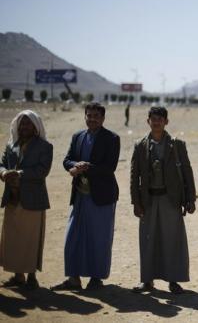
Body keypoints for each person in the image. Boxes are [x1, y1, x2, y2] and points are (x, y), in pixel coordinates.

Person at [52, 102, 120, 291]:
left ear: (103, 118)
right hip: (80, 195)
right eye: (89, 115)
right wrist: (75, 164)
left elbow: (110, 167)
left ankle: (96, 279)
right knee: (73, 237)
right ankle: (73, 279)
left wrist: (86, 168)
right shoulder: (78, 136)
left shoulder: (112, 138)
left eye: (96, 116)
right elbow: (66, 160)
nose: (92, 119)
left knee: (99, 238)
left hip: (102, 196)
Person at [130, 107, 196, 294]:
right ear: (148, 121)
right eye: (153, 118)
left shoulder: (177, 145)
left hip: (171, 199)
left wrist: (190, 199)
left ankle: (174, 280)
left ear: (166, 121)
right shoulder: (140, 145)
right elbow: (134, 176)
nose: (156, 122)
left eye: (160, 119)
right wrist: (136, 202)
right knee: (147, 240)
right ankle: (147, 280)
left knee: (173, 241)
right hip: (149, 200)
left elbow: (187, 172)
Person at [0, 110, 53, 290]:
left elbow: (42, 171)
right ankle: (18, 276)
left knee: (32, 239)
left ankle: (31, 276)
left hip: (33, 200)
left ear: (35, 126)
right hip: (13, 199)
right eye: (22, 123)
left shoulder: (45, 147)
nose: (24, 127)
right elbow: (2, 163)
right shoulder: (11, 145)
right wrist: (4, 172)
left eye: (28, 124)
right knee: (13, 239)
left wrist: (19, 174)